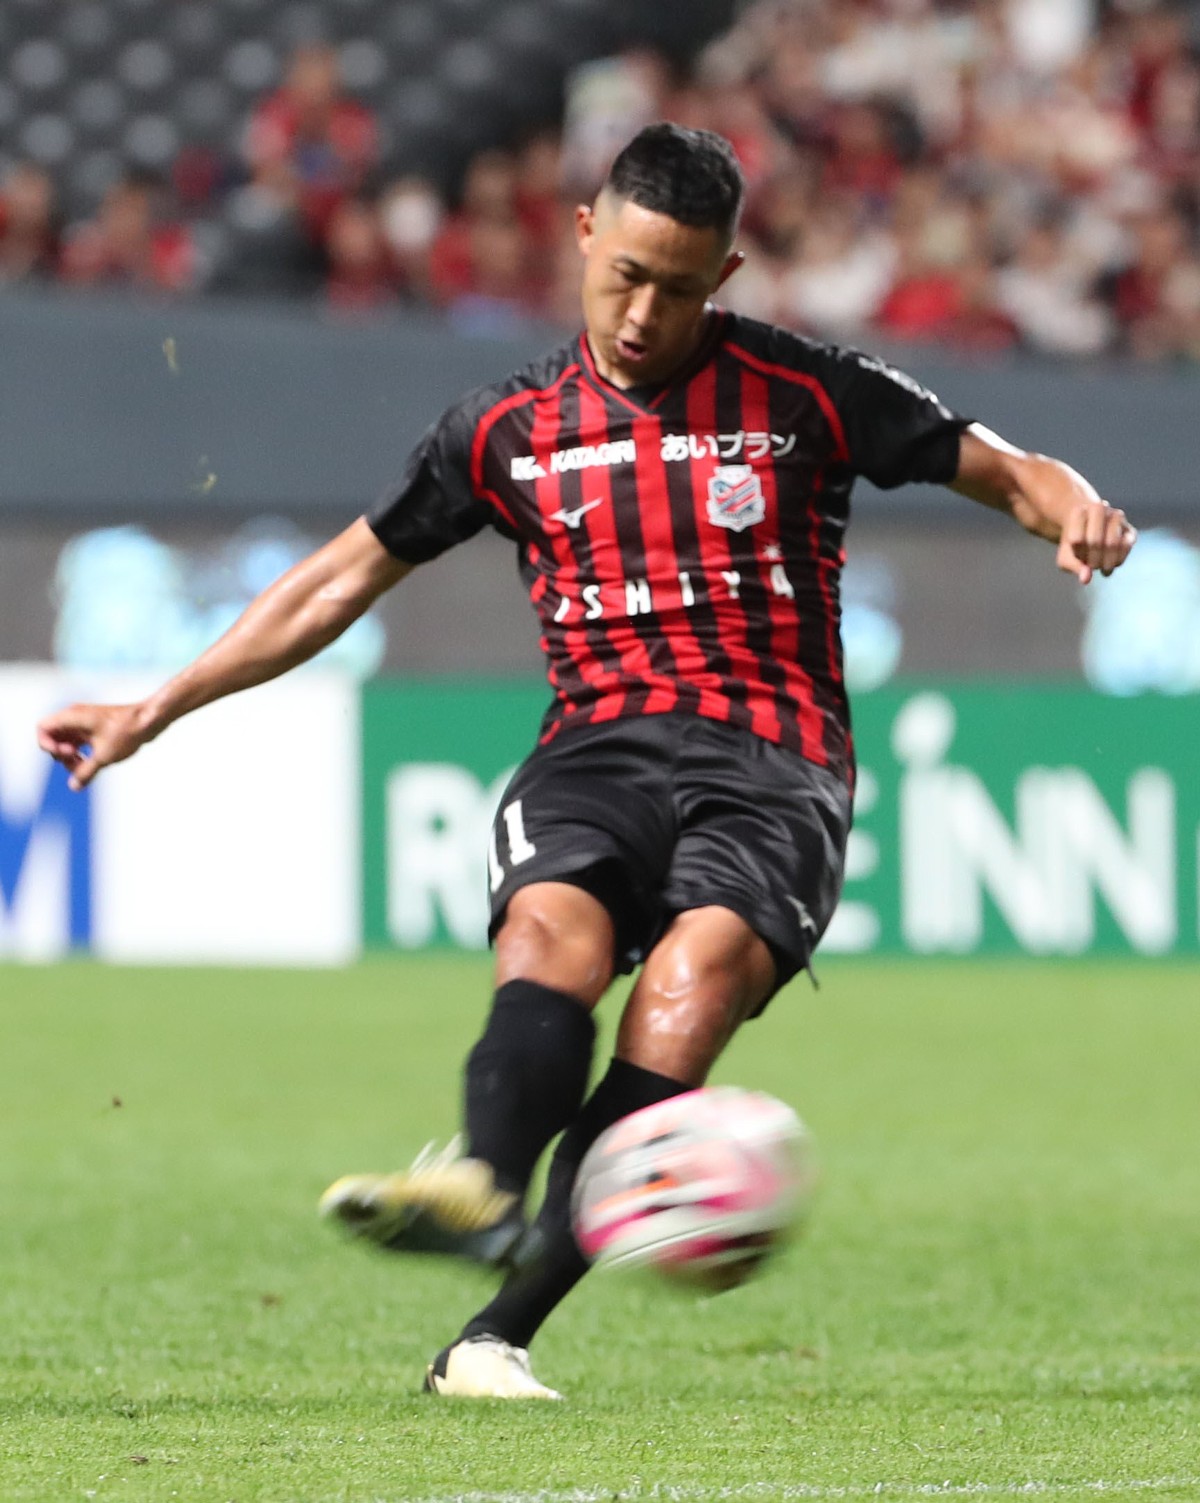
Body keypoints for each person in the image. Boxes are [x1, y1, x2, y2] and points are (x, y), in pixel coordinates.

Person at [37, 124, 1136, 1402]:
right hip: (597, 746)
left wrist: (1075, 507)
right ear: (582, 235)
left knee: (691, 986)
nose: (644, 313)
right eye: (626, 275)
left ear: (725, 276)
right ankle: (485, 1183)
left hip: (774, 761)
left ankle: (491, 1336)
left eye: (680, 287)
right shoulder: (503, 428)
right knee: (549, 932)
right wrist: (157, 705)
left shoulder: (806, 392)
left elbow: (1002, 466)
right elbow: (337, 581)